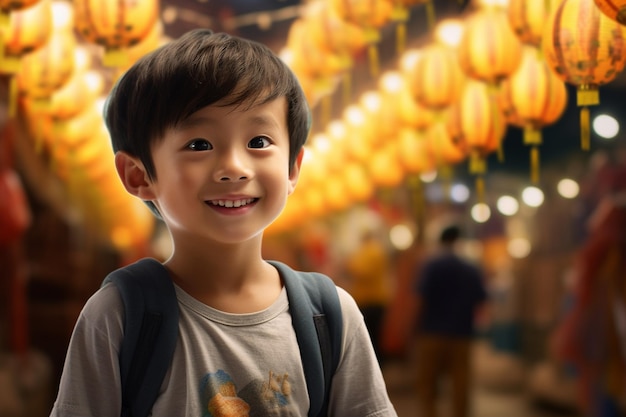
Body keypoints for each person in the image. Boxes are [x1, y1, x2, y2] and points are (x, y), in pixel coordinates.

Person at [50, 29, 397, 417]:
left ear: (292, 168)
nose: (234, 167)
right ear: (138, 175)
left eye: (259, 141)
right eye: (199, 144)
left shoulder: (330, 315)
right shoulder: (118, 315)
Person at [413, 224, 488, 417]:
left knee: (428, 383)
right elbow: (482, 300)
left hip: (432, 333)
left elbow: (420, 299)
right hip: (462, 334)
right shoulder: (470, 268)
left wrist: (412, 327)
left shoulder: (431, 266)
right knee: (461, 384)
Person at [345, 229, 394, 364]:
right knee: (376, 333)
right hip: (377, 298)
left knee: (370, 335)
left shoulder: (371, 251)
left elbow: (362, 272)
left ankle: (373, 362)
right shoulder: (377, 250)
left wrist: (349, 264)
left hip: (369, 300)